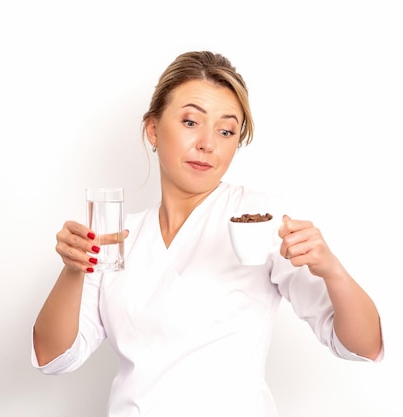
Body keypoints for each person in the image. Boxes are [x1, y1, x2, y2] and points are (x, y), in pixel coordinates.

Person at [32, 51, 383, 417]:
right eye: (190, 122)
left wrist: (332, 270)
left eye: (226, 130)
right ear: (152, 129)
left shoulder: (258, 220)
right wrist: (73, 269)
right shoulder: (119, 238)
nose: (208, 144)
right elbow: (53, 357)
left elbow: (364, 345)